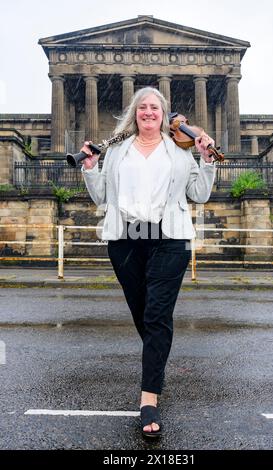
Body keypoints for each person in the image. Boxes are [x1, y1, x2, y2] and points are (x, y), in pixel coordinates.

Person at [80, 86, 216, 439]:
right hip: (125, 240)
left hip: (169, 239)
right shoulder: (118, 149)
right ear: (135, 113)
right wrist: (91, 168)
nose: (149, 112)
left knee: (157, 315)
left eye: (155, 107)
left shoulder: (180, 152)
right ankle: (157, 366)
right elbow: (101, 197)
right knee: (144, 315)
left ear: (164, 113)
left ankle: (148, 400)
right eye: (143, 107)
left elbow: (199, 193)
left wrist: (207, 160)